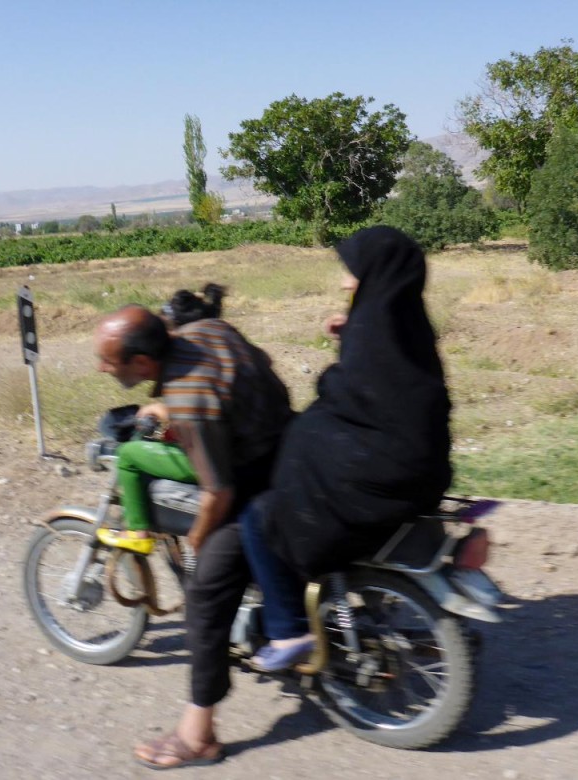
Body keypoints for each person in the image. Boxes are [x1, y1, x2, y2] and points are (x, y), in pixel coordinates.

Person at [241, 224, 453, 671]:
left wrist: (330, 373)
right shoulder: (404, 318)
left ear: (376, 273)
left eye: (351, 271)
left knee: (264, 516)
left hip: (386, 474)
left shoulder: (374, 326)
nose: (344, 281)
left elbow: (349, 389)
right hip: (426, 469)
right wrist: (350, 331)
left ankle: (287, 628)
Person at [93, 305, 293, 769]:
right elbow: (258, 361)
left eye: (109, 361)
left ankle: (198, 735)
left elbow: (218, 492)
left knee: (204, 593)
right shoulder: (209, 330)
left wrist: (201, 541)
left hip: (254, 482)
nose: (102, 368)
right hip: (289, 444)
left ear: (142, 363)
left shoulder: (189, 402)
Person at [99, 285, 229, 554]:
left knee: (128, 455)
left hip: (222, 460)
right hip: (239, 446)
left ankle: (138, 531)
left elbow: (197, 413)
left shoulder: (185, 374)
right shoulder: (216, 341)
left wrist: (162, 412)